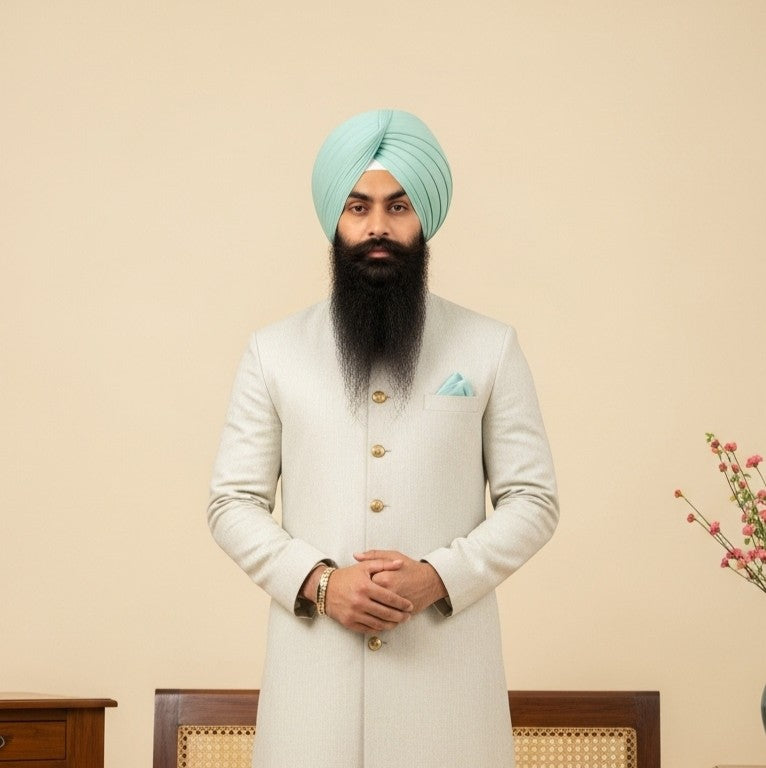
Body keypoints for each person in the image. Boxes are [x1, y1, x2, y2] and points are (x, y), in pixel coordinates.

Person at [207, 109, 559, 768]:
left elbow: (533, 500)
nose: (377, 227)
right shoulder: (273, 351)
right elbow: (231, 502)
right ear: (334, 222)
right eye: (357, 207)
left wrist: (439, 577)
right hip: (313, 694)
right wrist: (318, 584)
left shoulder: (490, 346)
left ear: (424, 218)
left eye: (398, 207)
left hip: (447, 691)